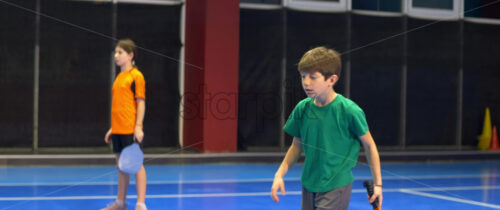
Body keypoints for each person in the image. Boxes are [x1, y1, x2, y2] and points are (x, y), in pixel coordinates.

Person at [270, 46, 383, 210]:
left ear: (332, 80)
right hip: (309, 183)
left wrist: (378, 184)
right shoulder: (302, 108)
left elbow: (369, 145)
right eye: (303, 76)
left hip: (336, 185)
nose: (306, 82)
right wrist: (279, 174)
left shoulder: (349, 110)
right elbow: (296, 146)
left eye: (313, 77)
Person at [102, 39, 147, 210]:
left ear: (130, 55)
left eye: (120, 52)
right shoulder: (119, 77)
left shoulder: (137, 76)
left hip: (130, 128)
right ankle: (120, 202)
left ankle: (141, 203)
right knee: (121, 166)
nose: (116, 55)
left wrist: (138, 126)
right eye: (115, 52)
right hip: (119, 129)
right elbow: (120, 105)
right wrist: (113, 128)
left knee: (136, 165)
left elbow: (140, 102)